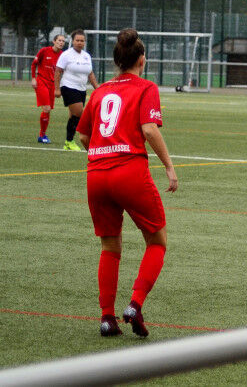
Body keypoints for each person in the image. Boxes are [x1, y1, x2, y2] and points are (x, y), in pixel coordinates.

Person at [77, 28, 178, 337]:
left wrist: (101, 153)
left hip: (96, 174)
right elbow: (149, 130)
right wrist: (170, 168)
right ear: (142, 60)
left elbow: (83, 136)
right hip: (129, 171)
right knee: (157, 240)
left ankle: (106, 318)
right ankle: (134, 304)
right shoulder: (146, 87)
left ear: (116, 61)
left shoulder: (101, 91)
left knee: (110, 245)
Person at [55, 30, 99, 151]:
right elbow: (58, 71)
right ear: (72, 41)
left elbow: (90, 74)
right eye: (77, 40)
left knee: (73, 116)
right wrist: (57, 89)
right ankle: (71, 141)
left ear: (85, 42)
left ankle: (68, 142)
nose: (80, 43)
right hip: (68, 87)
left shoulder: (86, 56)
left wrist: (98, 88)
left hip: (81, 89)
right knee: (79, 113)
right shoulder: (66, 55)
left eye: (82, 41)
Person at [31, 34, 65, 143]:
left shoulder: (63, 55)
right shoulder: (44, 51)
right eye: (59, 40)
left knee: (48, 110)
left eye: (63, 41)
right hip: (41, 81)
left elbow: (61, 72)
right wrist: (33, 78)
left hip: (52, 84)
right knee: (46, 108)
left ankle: (43, 135)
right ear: (54, 41)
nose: (61, 42)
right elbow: (34, 64)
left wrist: (58, 87)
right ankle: (42, 136)